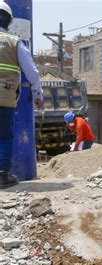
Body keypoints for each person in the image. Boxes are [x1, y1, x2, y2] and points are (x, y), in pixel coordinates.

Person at [0, 1, 43, 189]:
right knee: (4, 136)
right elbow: (32, 73)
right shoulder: (14, 42)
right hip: (5, 98)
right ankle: (2, 174)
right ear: (9, 21)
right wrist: (37, 94)